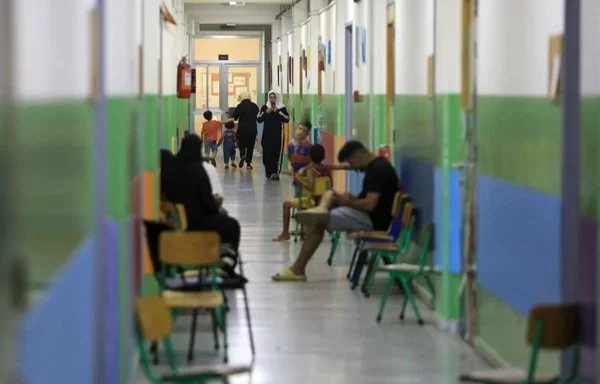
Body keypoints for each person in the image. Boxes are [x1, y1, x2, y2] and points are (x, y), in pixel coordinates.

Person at [272, 141, 399, 281]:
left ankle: (298, 269)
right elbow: (371, 200)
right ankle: (321, 209)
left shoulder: (378, 170)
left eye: (351, 163)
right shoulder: (377, 167)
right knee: (330, 195)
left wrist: (348, 201)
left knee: (319, 221)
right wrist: (351, 198)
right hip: (367, 216)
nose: (354, 168)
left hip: (371, 220)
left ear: (357, 156)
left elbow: (369, 205)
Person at [169, 134, 241, 275]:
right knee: (232, 225)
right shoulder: (198, 171)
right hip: (198, 222)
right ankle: (226, 262)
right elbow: (208, 202)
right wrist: (216, 209)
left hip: (179, 222)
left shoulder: (175, 170)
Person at [273, 144, 332, 242]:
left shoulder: (311, 170)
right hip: (325, 201)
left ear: (309, 157)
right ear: (324, 156)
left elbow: (311, 187)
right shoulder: (326, 169)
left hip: (313, 201)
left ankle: (285, 233)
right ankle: (304, 230)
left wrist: (299, 180)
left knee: (286, 204)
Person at [257, 90, 290, 180]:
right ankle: (268, 172)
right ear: (268, 98)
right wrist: (266, 112)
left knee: (276, 154)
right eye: (270, 97)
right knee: (266, 155)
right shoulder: (265, 107)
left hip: (277, 136)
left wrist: (277, 111)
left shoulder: (281, 107)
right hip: (266, 136)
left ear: (276, 98)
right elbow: (259, 119)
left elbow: (287, 119)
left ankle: (275, 173)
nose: (272, 99)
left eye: (274, 97)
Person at [231, 91, 259, 169]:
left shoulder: (240, 106)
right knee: (250, 146)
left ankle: (243, 155)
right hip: (252, 129)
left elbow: (235, 116)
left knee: (242, 144)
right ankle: (248, 164)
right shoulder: (254, 106)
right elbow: (259, 116)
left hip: (242, 129)